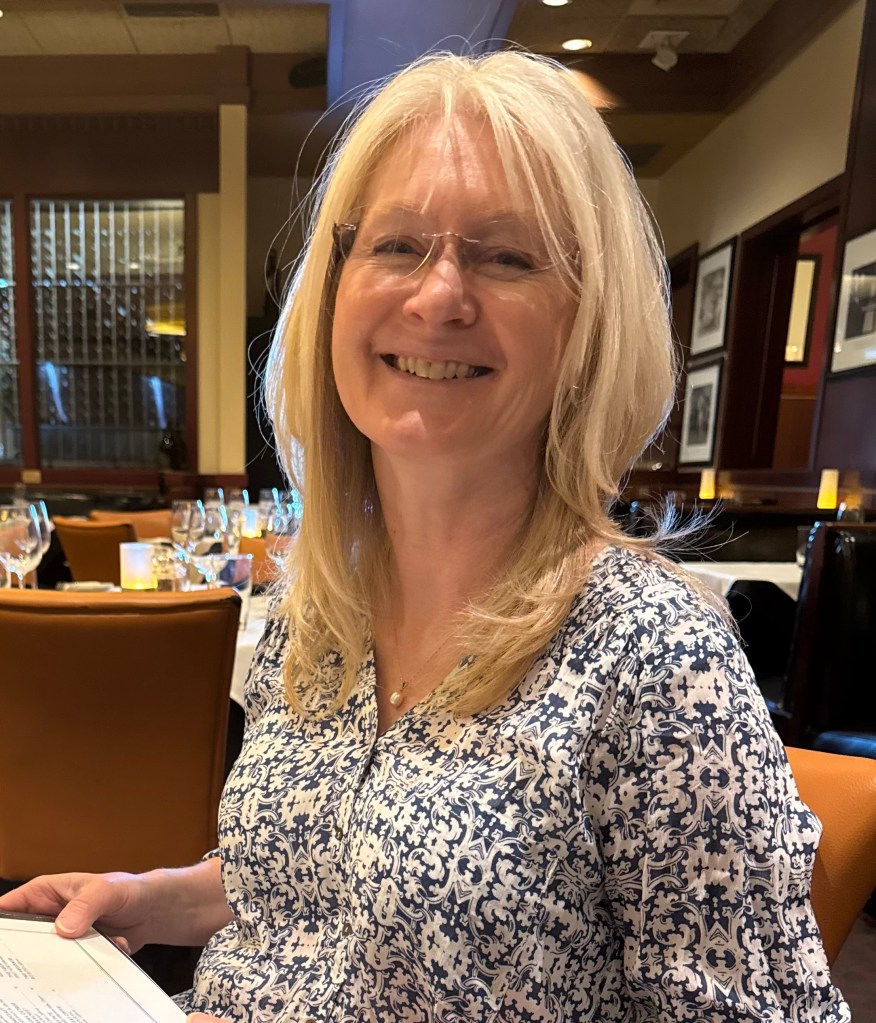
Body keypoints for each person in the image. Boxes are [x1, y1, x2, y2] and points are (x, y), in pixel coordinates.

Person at [0, 51, 850, 1023]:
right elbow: (313, 869)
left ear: (587, 326)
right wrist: (153, 896)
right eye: (398, 245)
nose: (439, 295)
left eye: (507, 256)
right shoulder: (313, 610)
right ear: (334, 294)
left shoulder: (656, 661)